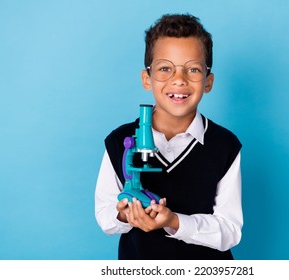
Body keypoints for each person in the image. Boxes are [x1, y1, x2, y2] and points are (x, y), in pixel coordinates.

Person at [95, 13, 243, 260]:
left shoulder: (225, 145)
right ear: (147, 78)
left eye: (193, 69)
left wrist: (175, 222)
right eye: (165, 68)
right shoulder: (118, 141)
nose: (178, 80)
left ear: (208, 82)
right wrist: (124, 215)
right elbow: (105, 214)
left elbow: (229, 230)